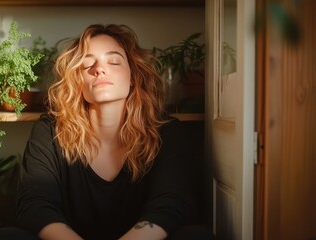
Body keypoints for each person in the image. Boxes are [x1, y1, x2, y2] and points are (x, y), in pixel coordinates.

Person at [14, 24, 213, 240]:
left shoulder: (166, 131)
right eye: (87, 64)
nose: (99, 69)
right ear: (76, 81)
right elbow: (36, 204)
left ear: (133, 78)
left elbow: (172, 202)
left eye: (114, 61)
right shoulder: (50, 130)